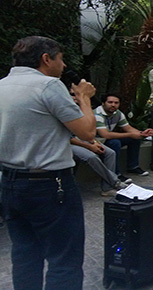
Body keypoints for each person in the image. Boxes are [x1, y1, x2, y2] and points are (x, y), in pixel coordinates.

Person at [0, 35, 96, 289]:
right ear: (46, 59)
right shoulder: (49, 87)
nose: (63, 66)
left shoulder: (2, 86)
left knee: (25, 254)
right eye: (61, 59)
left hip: (10, 183)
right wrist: (84, 97)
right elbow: (87, 132)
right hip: (50, 186)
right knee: (64, 258)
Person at [95, 93, 153, 179]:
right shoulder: (97, 114)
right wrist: (131, 134)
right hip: (96, 141)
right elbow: (105, 134)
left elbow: (128, 128)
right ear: (103, 103)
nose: (113, 105)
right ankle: (116, 174)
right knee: (115, 143)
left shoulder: (118, 113)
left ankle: (133, 167)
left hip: (107, 139)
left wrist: (141, 133)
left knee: (134, 139)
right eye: (110, 102)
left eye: (116, 103)